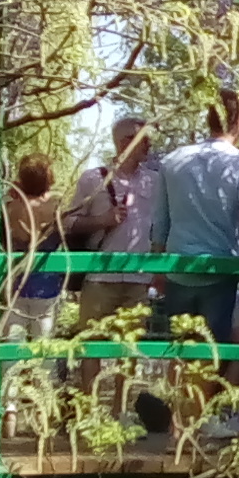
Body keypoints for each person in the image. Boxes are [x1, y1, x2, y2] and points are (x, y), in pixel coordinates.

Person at [151, 90, 239, 436]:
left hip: (179, 266)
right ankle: (190, 426)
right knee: (212, 349)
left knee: (185, 347)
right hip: (218, 271)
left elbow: (160, 220)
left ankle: (182, 423)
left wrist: (157, 264)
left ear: (208, 120)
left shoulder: (173, 161)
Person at [69, 117, 160, 405]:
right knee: (91, 344)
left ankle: (121, 413)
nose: (148, 144)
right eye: (142, 138)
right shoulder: (94, 178)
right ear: (124, 142)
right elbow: (69, 222)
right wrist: (102, 220)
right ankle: (89, 412)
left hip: (139, 279)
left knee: (130, 347)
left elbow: (161, 226)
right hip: (99, 278)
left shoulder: (155, 181)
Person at [0, 153, 65, 439]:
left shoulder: (9, 206)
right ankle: (41, 412)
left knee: (11, 350)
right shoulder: (55, 205)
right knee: (43, 350)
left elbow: (2, 237)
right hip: (46, 285)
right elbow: (65, 234)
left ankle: (9, 413)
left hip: (14, 285)